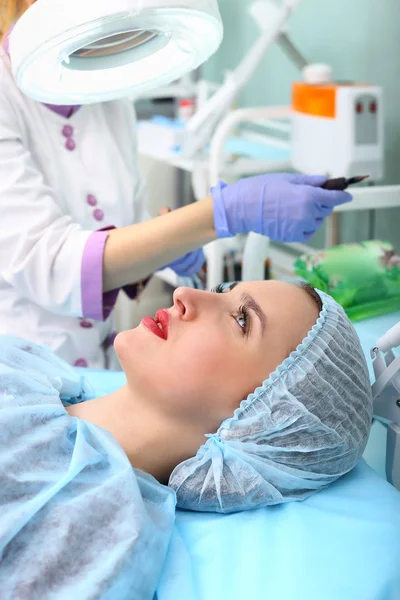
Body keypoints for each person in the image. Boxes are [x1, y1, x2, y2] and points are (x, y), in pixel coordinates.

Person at [0, 1, 352, 369]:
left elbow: (126, 230)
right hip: (17, 371)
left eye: (242, 319)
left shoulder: (108, 99)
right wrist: (224, 212)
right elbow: (51, 262)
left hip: (94, 368)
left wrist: (167, 246)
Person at [0, 280, 372, 597]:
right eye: (222, 290)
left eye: (242, 320)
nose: (184, 293)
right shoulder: (27, 365)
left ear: (258, 423)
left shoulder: (94, 534)